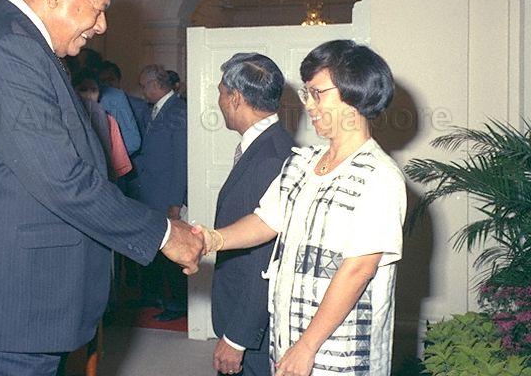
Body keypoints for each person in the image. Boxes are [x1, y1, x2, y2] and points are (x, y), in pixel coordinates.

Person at [0, 0, 202, 376]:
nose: (103, 25)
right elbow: (63, 180)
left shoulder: (12, 40)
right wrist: (165, 234)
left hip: (8, 304)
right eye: (98, 8)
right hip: (4, 310)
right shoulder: (10, 50)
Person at [197, 40, 406, 376]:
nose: (308, 104)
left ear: (354, 95)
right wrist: (210, 240)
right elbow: (265, 221)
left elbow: (357, 270)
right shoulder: (303, 164)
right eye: (307, 93)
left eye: (317, 93)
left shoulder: (379, 176)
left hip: (338, 350)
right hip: (288, 338)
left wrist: (307, 345)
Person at [211, 53, 295, 376]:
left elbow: (267, 258)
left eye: (220, 92)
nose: (219, 101)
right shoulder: (266, 145)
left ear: (235, 98)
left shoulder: (271, 158)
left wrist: (237, 337)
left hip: (252, 329)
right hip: (238, 312)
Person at [132, 64, 188, 321]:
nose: (143, 92)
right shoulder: (152, 110)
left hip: (166, 195)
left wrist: (175, 202)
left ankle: (177, 304)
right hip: (149, 193)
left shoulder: (178, 111)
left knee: (172, 250)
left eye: (144, 86)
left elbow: (181, 161)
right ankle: (154, 296)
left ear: (155, 85)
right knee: (153, 247)